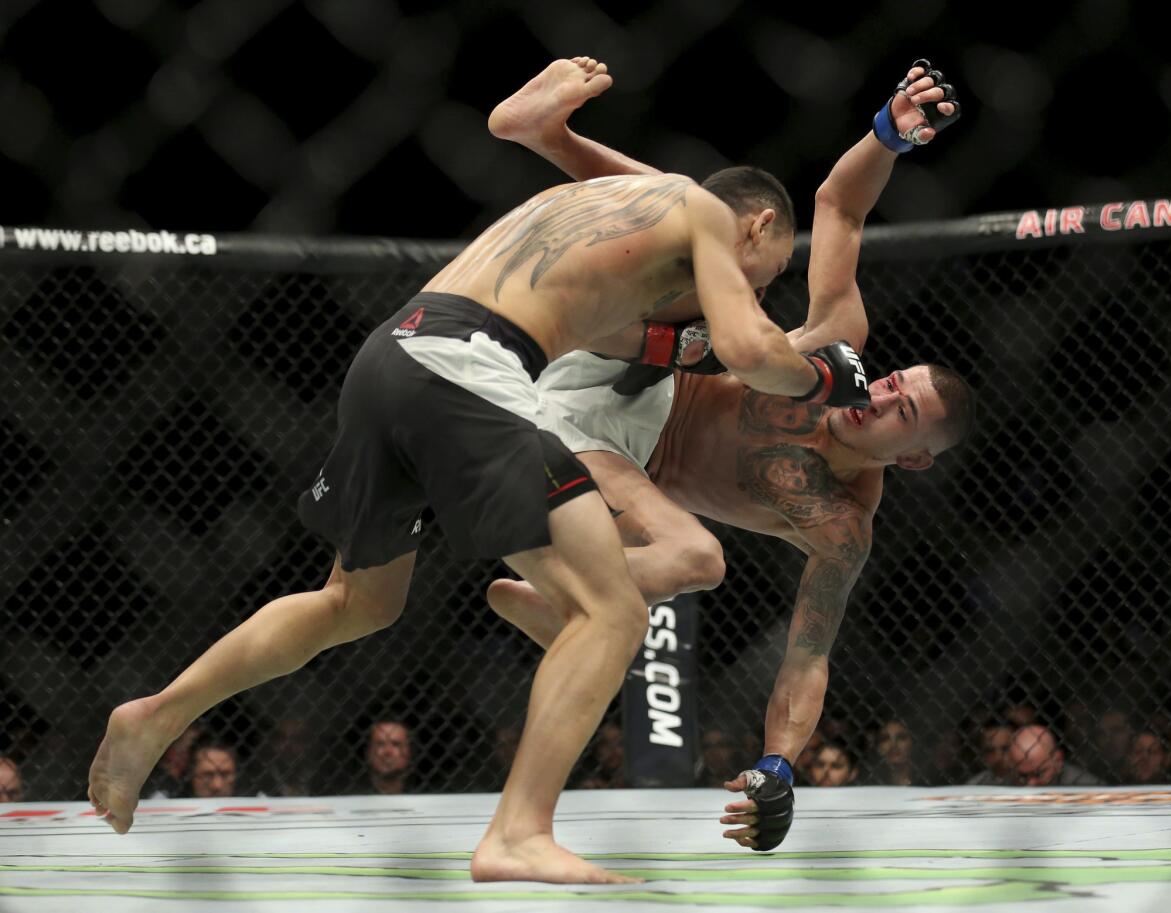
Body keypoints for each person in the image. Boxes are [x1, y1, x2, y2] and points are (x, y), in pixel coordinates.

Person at [86, 54, 866, 885]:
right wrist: (821, 376)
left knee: (355, 601)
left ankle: (156, 712)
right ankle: (519, 831)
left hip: (392, 352)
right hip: (468, 368)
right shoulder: (709, 217)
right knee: (613, 613)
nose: (754, 287)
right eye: (769, 271)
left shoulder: (619, 209)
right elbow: (749, 349)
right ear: (758, 229)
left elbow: (623, 329)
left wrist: (539, 127)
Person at [486, 57, 969, 849]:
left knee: (679, 571)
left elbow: (806, 656)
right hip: (631, 358)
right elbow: (840, 209)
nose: (878, 394)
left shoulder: (841, 525)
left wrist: (779, 765)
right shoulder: (838, 344)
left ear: (912, 458)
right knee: (700, 250)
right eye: (889, 381)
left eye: (900, 411)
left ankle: (572, 596)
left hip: (613, 463)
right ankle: (547, 135)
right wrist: (888, 135)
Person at [1007, 724, 1102, 787]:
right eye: (1023, 775)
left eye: (1039, 774)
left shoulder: (1086, 787)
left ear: (1058, 760)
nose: (1031, 783)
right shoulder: (1006, 783)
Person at [343, 720, 414, 795]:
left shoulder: (420, 795)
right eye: (380, 744)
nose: (388, 751)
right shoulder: (349, 798)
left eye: (396, 744)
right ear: (368, 752)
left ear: (409, 751)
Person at [966, 721, 1014, 785]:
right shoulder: (975, 785)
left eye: (1005, 749)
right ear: (982, 755)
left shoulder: (1029, 782)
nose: (998, 756)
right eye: (990, 751)